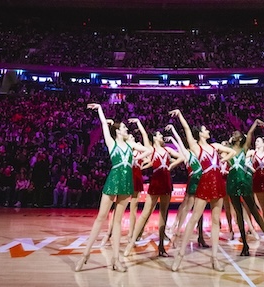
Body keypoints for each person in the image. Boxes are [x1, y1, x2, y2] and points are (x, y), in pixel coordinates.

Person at [74, 103, 150, 272]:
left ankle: (116, 260)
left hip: (126, 181)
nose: (126, 130)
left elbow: (148, 150)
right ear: (117, 131)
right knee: (101, 218)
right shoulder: (111, 142)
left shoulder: (130, 145)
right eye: (124, 128)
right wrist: (101, 109)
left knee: (117, 222)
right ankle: (85, 255)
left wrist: (136, 158)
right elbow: (103, 125)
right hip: (114, 180)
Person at [169, 109, 236, 272]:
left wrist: (222, 160)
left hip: (218, 182)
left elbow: (232, 151)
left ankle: (214, 258)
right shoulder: (196, 147)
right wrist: (181, 116)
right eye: (205, 130)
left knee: (215, 221)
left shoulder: (215, 146)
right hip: (205, 183)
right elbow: (186, 130)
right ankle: (180, 255)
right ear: (199, 134)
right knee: (193, 220)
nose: (208, 131)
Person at [124, 118, 184, 257]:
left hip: (166, 181)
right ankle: (131, 242)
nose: (161, 136)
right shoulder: (151, 150)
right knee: (146, 213)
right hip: (156, 181)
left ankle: (162, 246)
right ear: (155, 138)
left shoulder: (167, 149)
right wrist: (139, 122)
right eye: (159, 135)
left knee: (164, 214)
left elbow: (182, 157)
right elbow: (145, 136)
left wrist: (170, 166)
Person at [226, 120, 264, 257]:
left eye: (236, 133)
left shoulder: (244, 148)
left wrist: (255, 123)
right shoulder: (227, 148)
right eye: (233, 133)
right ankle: (245, 245)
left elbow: (250, 133)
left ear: (240, 138)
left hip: (243, 181)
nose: (233, 133)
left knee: (255, 212)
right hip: (232, 182)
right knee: (239, 214)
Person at [164, 124, 208, 249]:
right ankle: (176, 235)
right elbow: (180, 144)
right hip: (194, 181)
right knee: (187, 208)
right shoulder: (187, 153)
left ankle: (199, 236)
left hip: (201, 180)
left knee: (198, 211)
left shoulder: (200, 152)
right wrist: (173, 132)